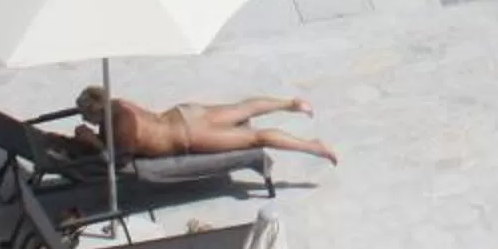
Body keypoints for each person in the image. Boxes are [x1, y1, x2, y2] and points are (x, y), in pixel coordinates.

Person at [72, 85, 338, 167]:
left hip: (188, 135)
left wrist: (90, 140)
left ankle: (312, 147)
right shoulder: (119, 105)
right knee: (240, 108)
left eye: (85, 115)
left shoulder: (121, 127)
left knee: (256, 138)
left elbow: (116, 162)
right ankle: (290, 103)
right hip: (183, 115)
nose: (83, 119)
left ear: (95, 111)